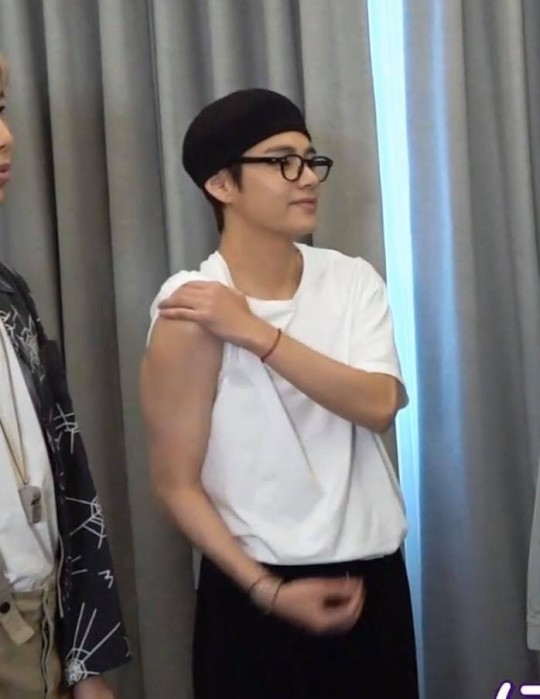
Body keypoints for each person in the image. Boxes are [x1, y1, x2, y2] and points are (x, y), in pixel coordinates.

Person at [141, 88, 418, 698]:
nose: (307, 177)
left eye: (310, 160)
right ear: (221, 184)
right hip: (255, 593)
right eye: (281, 161)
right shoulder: (190, 306)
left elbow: (378, 405)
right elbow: (174, 483)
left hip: (373, 580)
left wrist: (254, 333)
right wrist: (265, 590)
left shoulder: (351, 280)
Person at [0, 57, 130, 698]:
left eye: (0, 109)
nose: (6, 137)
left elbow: (67, 472)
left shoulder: (10, 295)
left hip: (42, 622)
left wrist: (85, 661)